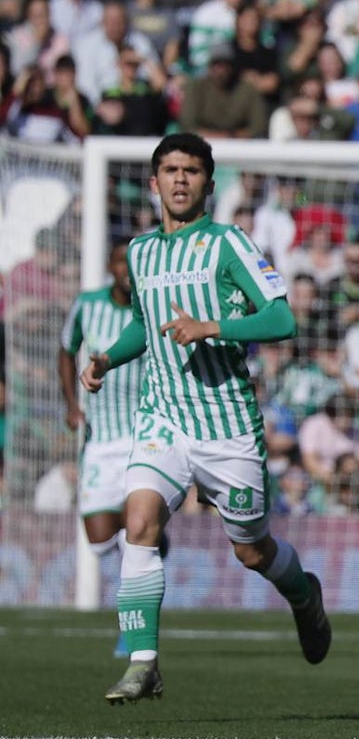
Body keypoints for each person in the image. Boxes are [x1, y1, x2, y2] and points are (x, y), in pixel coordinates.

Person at [80, 133, 331, 704]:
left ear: (208, 185)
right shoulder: (140, 252)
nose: (179, 180)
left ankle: (303, 596)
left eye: (191, 171)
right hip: (162, 418)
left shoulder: (228, 245)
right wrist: (107, 357)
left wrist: (214, 326)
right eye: (169, 169)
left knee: (251, 550)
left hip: (226, 426)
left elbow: (281, 318)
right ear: (153, 182)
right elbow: (147, 326)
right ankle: (143, 663)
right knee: (138, 521)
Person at [58, 239, 166, 657]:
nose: (126, 269)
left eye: (131, 262)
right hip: (100, 439)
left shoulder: (152, 307)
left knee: (134, 529)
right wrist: (71, 404)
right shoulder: (88, 305)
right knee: (101, 539)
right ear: (109, 265)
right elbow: (66, 352)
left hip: (145, 434)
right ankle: (156, 545)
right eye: (119, 261)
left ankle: (132, 623)